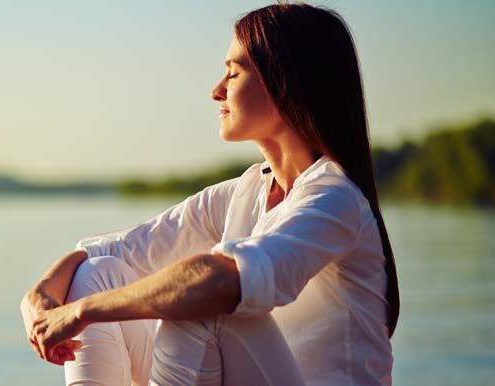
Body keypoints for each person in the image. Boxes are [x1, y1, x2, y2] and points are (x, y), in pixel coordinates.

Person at [20, 3, 399, 386]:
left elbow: (220, 282)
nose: (217, 90)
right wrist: (40, 296)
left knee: (206, 300)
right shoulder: (244, 192)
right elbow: (108, 253)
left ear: (286, 83)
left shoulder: (336, 198)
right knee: (97, 274)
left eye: (233, 73)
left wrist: (81, 313)